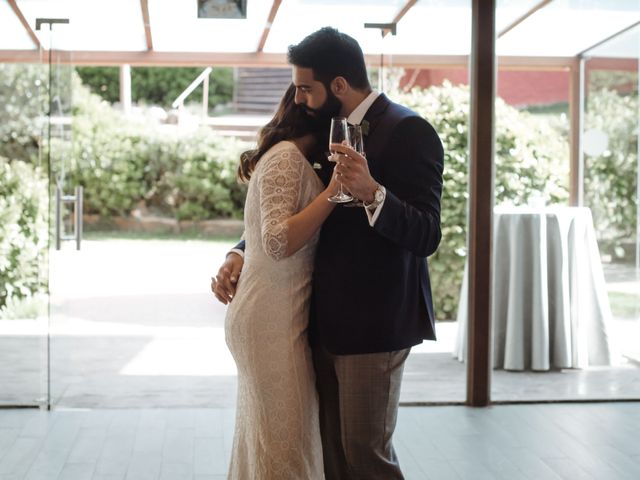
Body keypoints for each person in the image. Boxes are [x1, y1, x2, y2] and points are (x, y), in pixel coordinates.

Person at [213, 27, 444, 480]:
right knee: (331, 457)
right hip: (314, 324)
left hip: (375, 327)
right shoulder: (322, 134)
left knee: (365, 454)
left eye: (306, 87)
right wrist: (241, 252)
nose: (298, 98)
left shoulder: (409, 130)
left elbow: (428, 234)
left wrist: (373, 192)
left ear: (338, 85)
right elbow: (292, 214)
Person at [214, 83, 338, 479]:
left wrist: (236, 252)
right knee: (286, 446)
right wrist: (335, 192)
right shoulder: (286, 158)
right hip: (270, 321)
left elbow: (258, 232)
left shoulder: (284, 155)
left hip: (268, 312)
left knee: (268, 440)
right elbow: (277, 240)